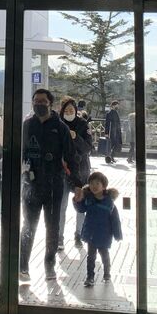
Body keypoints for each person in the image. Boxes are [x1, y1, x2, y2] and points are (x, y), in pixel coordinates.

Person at [20, 88, 81, 282]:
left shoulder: (60, 127)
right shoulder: (27, 125)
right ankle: (22, 266)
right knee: (28, 225)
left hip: (54, 184)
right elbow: (20, 152)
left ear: (50, 104)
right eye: (36, 101)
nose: (39, 104)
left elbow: (71, 157)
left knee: (52, 226)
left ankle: (49, 265)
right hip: (31, 184)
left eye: (42, 101)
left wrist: (77, 184)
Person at [73, 171, 122, 286]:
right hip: (91, 233)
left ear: (104, 186)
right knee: (91, 256)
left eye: (97, 183)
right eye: (91, 183)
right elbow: (81, 209)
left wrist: (117, 234)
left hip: (104, 234)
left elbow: (115, 220)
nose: (94, 186)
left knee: (104, 254)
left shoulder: (109, 202)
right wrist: (77, 200)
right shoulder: (88, 199)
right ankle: (90, 277)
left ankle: (107, 273)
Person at [57, 96, 93, 249]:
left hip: (80, 170)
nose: (69, 112)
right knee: (61, 205)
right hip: (62, 170)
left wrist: (76, 137)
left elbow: (88, 148)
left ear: (76, 110)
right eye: (66, 110)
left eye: (71, 110)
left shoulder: (83, 125)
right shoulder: (57, 124)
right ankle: (59, 237)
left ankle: (79, 234)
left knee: (80, 204)